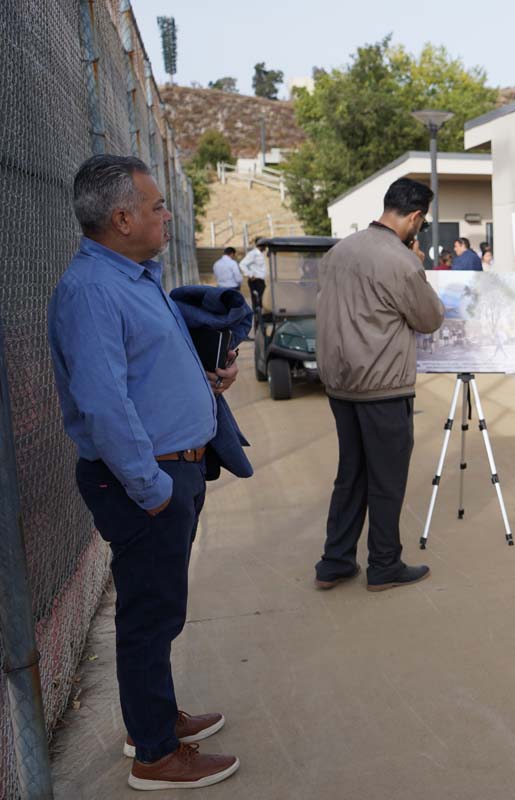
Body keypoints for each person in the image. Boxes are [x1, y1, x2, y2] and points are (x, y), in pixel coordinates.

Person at [49, 155, 241, 790]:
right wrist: (153, 491)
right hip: (147, 482)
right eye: (156, 206)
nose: (166, 215)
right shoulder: (94, 291)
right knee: (149, 615)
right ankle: (155, 756)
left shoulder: (131, 277)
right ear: (121, 217)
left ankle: (151, 719)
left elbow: (143, 371)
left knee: (158, 611)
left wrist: (206, 382)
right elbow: (105, 405)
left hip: (170, 473)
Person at [315, 177, 445, 592]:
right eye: (420, 223)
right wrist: (418, 265)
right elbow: (430, 319)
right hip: (383, 386)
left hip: (341, 384)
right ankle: (384, 564)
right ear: (416, 217)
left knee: (350, 475)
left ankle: (334, 562)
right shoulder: (402, 261)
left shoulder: (339, 252)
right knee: (387, 480)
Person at [239, 237, 268, 312]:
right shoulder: (253, 254)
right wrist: (250, 275)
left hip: (261, 281)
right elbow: (242, 264)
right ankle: (257, 319)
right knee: (257, 301)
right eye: (264, 244)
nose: (266, 246)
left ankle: (261, 317)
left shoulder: (262, 254)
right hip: (255, 280)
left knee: (263, 300)